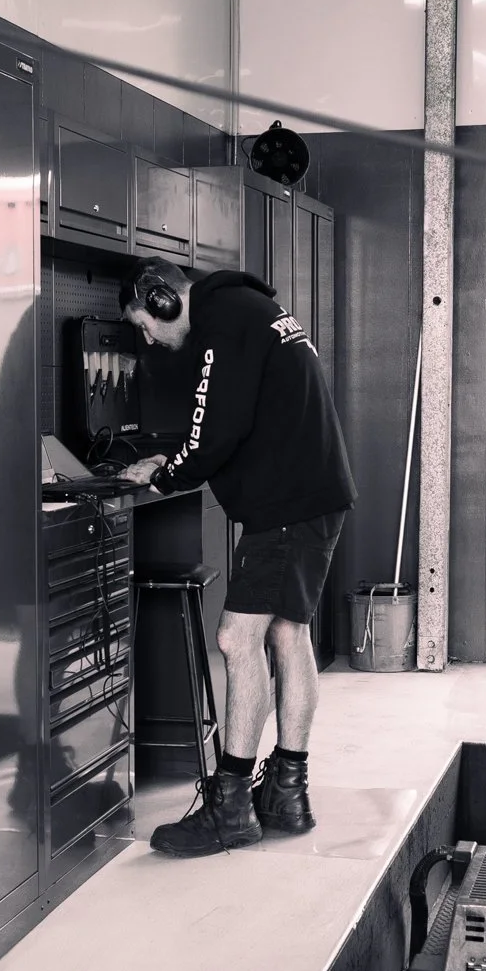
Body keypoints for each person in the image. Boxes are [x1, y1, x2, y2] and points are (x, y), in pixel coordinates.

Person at [115, 257, 356, 858]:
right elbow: (237, 417)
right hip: (312, 495)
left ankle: (231, 808)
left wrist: (166, 474)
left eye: (145, 324)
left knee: (235, 640)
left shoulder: (223, 320)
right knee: (287, 634)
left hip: (286, 507)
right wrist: (175, 462)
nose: (149, 339)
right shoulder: (254, 310)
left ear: (164, 298)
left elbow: (215, 429)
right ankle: (286, 794)